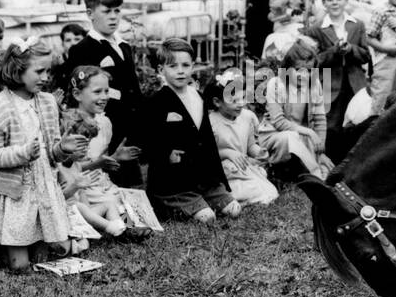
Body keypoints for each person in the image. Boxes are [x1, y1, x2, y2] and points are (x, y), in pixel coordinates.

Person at [0, 37, 77, 271]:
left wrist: (63, 148)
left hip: (43, 184)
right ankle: (6, 251)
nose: (46, 78)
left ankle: (45, 244)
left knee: (42, 260)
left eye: (48, 71)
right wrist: (22, 153)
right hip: (15, 191)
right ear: (17, 70)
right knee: (20, 265)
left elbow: (52, 152)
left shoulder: (47, 102)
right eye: (39, 71)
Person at [144, 39, 239, 224]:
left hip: (203, 176)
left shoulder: (198, 96)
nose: (180, 71)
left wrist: (218, 177)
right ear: (160, 70)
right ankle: (165, 206)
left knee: (233, 209)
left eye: (185, 65)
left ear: (192, 67)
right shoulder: (156, 102)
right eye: (173, 66)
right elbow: (148, 140)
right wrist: (165, 154)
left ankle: (205, 198)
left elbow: (207, 139)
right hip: (174, 181)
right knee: (207, 217)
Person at [59, 0, 143, 188]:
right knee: (106, 175)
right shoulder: (83, 49)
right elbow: (80, 87)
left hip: (128, 121)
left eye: (117, 11)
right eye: (106, 11)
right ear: (90, 13)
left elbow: (132, 84)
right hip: (104, 120)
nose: (113, 16)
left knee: (131, 181)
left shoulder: (124, 46)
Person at [62, 66, 150, 239]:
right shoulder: (70, 124)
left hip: (100, 180)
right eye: (97, 92)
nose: (104, 97)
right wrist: (98, 164)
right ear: (77, 94)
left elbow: (102, 158)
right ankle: (124, 229)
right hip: (82, 185)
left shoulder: (104, 122)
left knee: (123, 198)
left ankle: (128, 226)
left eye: (106, 91)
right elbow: (69, 165)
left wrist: (115, 157)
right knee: (113, 202)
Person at [308, 0, 371, 160]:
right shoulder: (317, 29)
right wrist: (335, 51)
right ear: (324, 3)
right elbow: (314, 60)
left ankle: (351, 162)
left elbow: (366, 55)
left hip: (354, 82)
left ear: (346, 0)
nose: (335, 2)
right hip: (329, 82)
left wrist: (350, 49)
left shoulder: (356, 25)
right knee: (331, 125)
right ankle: (330, 163)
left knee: (355, 122)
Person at [205, 67, 278, 206]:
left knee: (270, 190)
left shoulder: (247, 117)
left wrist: (258, 152)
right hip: (223, 172)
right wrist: (227, 153)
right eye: (234, 100)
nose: (241, 104)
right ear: (217, 102)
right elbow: (207, 155)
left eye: (243, 98)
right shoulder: (211, 122)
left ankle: (243, 195)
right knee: (254, 189)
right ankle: (227, 196)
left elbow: (250, 145)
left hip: (242, 167)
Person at [263, 37, 333, 179]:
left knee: (326, 165)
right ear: (287, 68)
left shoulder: (314, 85)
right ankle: (316, 175)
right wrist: (309, 132)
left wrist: (321, 152)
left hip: (302, 137)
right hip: (276, 137)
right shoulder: (276, 84)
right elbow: (279, 122)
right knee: (291, 137)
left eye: (308, 71)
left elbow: (320, 120)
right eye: (297, 70)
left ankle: (320, 172)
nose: (303, 75)